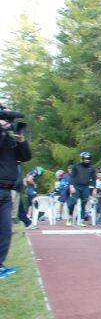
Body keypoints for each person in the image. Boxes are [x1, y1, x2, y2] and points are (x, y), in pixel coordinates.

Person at [0, 104, 32, 278]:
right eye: (7, 119)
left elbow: (25, 157)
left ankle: (0, 265)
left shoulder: (10, 139)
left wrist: (20, 139)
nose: (9, 123)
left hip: (7, 190)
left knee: (5, 230)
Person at [67, 152, 96, 227]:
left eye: (88, 159)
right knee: (72, 202)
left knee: (84, 204)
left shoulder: (92, 168)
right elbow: (72, 177)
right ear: (82, 159)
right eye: (85, 159)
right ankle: (70, 217)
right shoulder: (76, 166)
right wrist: (71, 186)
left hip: (85, 187)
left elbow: (94, 179)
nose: (86, 161)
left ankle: (82, 220)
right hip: (76, 186)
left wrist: (94, 188)